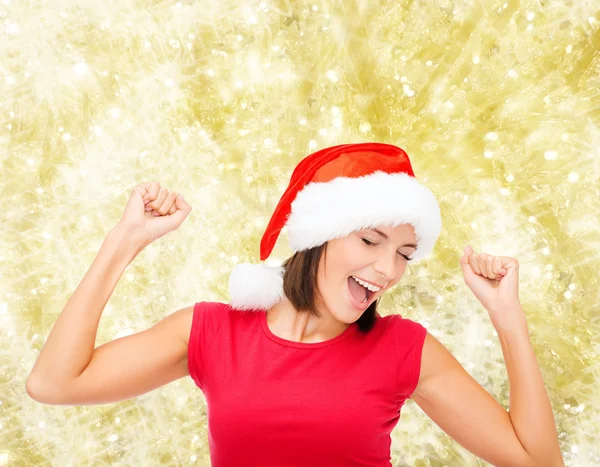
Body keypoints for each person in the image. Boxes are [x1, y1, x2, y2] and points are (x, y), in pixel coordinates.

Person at [25, 143, 564, 467]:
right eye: (370, 241)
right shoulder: (213, 332)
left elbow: (536, 461)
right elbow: (54, 384)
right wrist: (126, 240)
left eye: (403, 253)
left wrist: (506, 315)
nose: (386, 271)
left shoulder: (403, 350)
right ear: (318, 238)